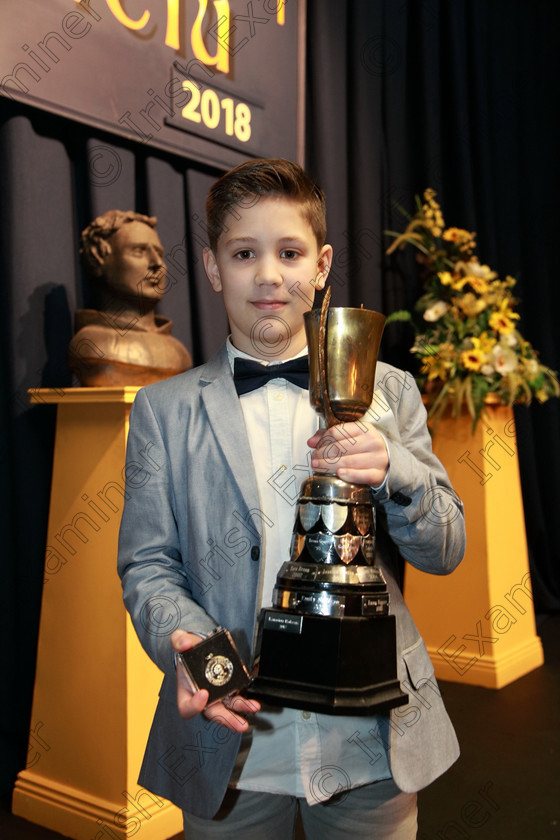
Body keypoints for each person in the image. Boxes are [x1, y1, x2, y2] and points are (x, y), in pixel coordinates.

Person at [117, 159, 466, 839]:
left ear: (323, 263)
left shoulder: (389, 391)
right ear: (214, 268)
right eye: (244, 254)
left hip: (372, 743)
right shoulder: (163, 411)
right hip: (233, 744)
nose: (269, 277)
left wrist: (396, 470)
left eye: (290, 252)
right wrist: (185, 643)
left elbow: (446, 548)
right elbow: (148, 565)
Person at [69, 210, 191, 385]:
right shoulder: (92, 346)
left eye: (159, 253)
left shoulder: (179, 353)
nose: (157, 263)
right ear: (98, 259)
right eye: (139, 251)